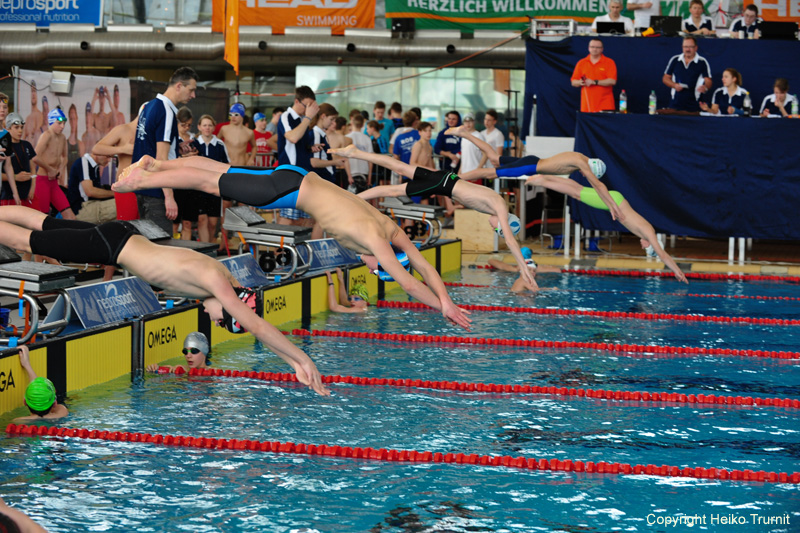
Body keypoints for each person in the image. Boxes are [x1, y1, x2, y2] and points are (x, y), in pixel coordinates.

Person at [0, 205, 331, 395]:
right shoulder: (216, 282)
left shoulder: (216, 271)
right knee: (29, 239)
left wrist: (291, 364)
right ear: (231, 310)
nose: (214, 320)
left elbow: (253, 322)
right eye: (221, 320)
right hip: (114, 247)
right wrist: (304, 360)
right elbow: (256, 325)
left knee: (43, 223)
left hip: (121, 236)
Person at [112, 157, 472, 330]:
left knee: (219, 169)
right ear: (383, 261)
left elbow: (423, 266)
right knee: (211, 183)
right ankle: (143, 178)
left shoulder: (390, 229)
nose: (376, 269)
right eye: (383, 269)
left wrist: (447, 298)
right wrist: (445, 310)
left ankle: (157, 164)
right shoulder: (377, 243)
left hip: (297, 175)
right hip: (286, 191)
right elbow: (410, 281)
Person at [330, 142, 539, 292]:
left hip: (447, 180)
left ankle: (355, 154)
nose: (494, 228)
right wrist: (523, 267)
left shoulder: (491, 207)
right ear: (506, 222)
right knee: (393, 190)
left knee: (400, 168)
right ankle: (349, 198)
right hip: (446, 184)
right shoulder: (500, 205)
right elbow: (511, 241)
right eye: (498, 229)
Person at [523, 174, 688, 283]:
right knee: (577, 193)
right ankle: (542, 181)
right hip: (614, 202)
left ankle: (545, 178)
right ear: (653, 244)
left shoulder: (644, 233)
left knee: (578, 191)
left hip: (616, 201)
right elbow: (664, 255)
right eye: (648, 248)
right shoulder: (649, 233)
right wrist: (677, 271)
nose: (643, 247)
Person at [448, 125, 624, 222]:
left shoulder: (580, 158)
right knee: (489, 173)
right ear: (592, 169)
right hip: (530, 167)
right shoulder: (581, 163)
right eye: (590, 175)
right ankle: (448, 179)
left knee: (494, 158)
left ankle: (465, 133)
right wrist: (611, 205)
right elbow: (598, 185)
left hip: (533, 161)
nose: (587, 177)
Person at [132, 66, 198, 234]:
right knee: (161, 250)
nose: (193, 95)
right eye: (191, 90)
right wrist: (169, 197)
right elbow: (160, 158)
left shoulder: (149, 106)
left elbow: (148, 145)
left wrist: (176, 147)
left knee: (148, 248)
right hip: (157, 192)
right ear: (178, 86)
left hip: (142, 187)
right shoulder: (166, 112)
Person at [277, 85, 319, 228]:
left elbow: (299, 144)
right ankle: (281, 250)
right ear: (296, 101)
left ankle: (298, 249)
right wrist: (308, 117)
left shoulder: (303, 120)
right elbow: (293, 138)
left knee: (306, 218)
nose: (308, 110)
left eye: (311, 106)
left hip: (304, 173)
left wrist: (310, 148)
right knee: (288, 217)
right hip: (289, 173)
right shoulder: (286, 116)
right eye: (306, 106)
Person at [92, 110, 141, 221]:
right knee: (127, 226)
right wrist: (122, 149)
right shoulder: (123, 130)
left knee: (143, 230)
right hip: (126, 185)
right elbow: (97, 148)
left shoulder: (150, 133)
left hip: (145, 186)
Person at [33, 108, 76, 220]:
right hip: (43, 181)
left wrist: (60, 169)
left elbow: (65, 157)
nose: (62, 126)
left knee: (70, 216)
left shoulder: (62, 138)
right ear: (51, 121)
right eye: (59, 123)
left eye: (64, 123)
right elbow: (34, 156)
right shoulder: (46, 135)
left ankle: (73, 237)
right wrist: (49, 169)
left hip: (54, 183)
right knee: (43, 218)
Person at [191, 114, 228, 243]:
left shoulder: (219, 144)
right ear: (199, 127)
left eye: (210, 125)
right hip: (199, 188)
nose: (207, 128)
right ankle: (204, 250)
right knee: (202, 220)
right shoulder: (193, 143)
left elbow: (226, 165)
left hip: (215, 187)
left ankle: (210, 246)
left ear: (214, 127)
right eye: (204, 125)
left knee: (213, 223)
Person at [13, 345, 69, 422]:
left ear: (24, 401)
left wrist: (26, 365)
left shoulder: (17, 422)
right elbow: (59, 407)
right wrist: (27, 365)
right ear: (55, 403)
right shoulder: (62, 413)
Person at [662, 36, 712, 113]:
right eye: (685, 47)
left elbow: (708, 80)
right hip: (675, 104)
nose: (687, 49)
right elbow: (665, 78)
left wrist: (705, 87)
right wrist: (674, 85)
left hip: (695, 105)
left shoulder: (702, 62)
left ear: (696, 48)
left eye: (690, 47)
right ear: (682, 47)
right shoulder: (675, 60)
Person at [1, 113, 38, 210]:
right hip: (9, 195)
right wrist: (16, 177)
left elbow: (33, 168)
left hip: (27, 194)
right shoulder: (3, 147)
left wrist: (33, 187)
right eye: (16, 127)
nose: (20, 131)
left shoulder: (27, 145)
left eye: (22, 127)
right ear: (8, 128)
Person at [571, 39, 618, 113]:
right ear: (588, 48)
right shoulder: (581, 63)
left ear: (602, 49)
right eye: (592, 47)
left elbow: (612, 81)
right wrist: (580, 82)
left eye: (597, 47)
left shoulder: (609, 62)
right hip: (587, 105)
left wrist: (593, 82)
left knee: (604, 124)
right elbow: (573, 82)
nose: (594, 49)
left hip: (605, 104)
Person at [486, 247, 562, 293]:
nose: (532, 272)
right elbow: (537, 290)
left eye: (533, 270)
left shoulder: (516, 270)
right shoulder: (522, 276)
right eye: (529, 270)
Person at [146, 331, 211, 373]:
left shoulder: (214, 374)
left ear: (204, 352)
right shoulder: (181, 369)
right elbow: (169, 368)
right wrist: (154, 368)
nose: (188, 356)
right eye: (185, 352)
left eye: (194, 351)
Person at [218, 103, 256, 167]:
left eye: (236, 114)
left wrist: (251, 159)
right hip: (226, 165)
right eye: (231, 114)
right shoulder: (224, 129)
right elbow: (215, 143)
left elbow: (254, 147)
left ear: (242, 115)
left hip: (241, 166)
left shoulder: (249, 132)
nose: (233, 117)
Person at [346, 113, 373, 194]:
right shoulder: (367, 139)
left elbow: (344, 158)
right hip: (363, 172)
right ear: (362, 125)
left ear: (352, 123)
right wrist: (370, 177)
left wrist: (348, 176)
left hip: (350, 172)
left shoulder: (346, 137)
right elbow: (370, 160)